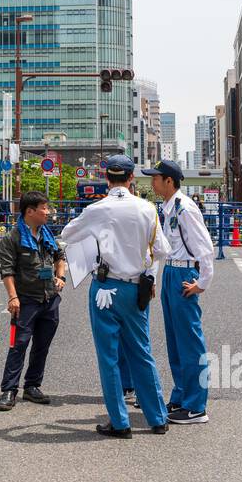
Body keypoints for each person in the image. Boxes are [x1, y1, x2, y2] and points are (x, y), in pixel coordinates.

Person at [59, 155, 172, 438]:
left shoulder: (97, 208)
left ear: (107, 178)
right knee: (141, 352)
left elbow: (67, 234)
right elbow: (162, 250)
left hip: (105, 288)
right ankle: (158, 418)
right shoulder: (147, 209)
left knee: (108, 356)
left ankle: (120, 423)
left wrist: (98, 240)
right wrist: (148, 273)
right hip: (137, 288)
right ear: (132, 178)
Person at [143, 159, 215, 424]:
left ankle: (196, 406)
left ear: (169, 181)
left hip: (185, 272)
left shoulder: (185, 208)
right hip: (172, 271)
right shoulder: (168, 207)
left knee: (190, 341)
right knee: (175, 340)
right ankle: (182, 396)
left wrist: (203, 283)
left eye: (156, 178)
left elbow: (205, 247)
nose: (152, 182)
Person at [0, 192, 67, 411]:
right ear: (30, 211)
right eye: (44, 208)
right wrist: (13, 297)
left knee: (41, 346)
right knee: (18, 346)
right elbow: (6, 271)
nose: (48, 212)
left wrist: (61, 277)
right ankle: (9, 390)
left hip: (49, 299)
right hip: (25, 301)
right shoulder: (12, 238)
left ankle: (32, 386)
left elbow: (60, 258)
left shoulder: (47, 235)